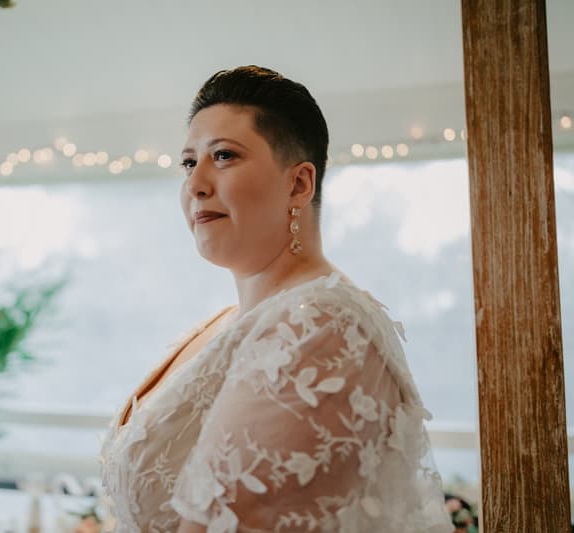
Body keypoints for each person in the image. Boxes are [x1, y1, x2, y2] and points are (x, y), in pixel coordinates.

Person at [100, 66, 454, 532]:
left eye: (223, 156)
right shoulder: (229, 322)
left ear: (298, 185)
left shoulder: (322, 326)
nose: (195, 184)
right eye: (189, 163)